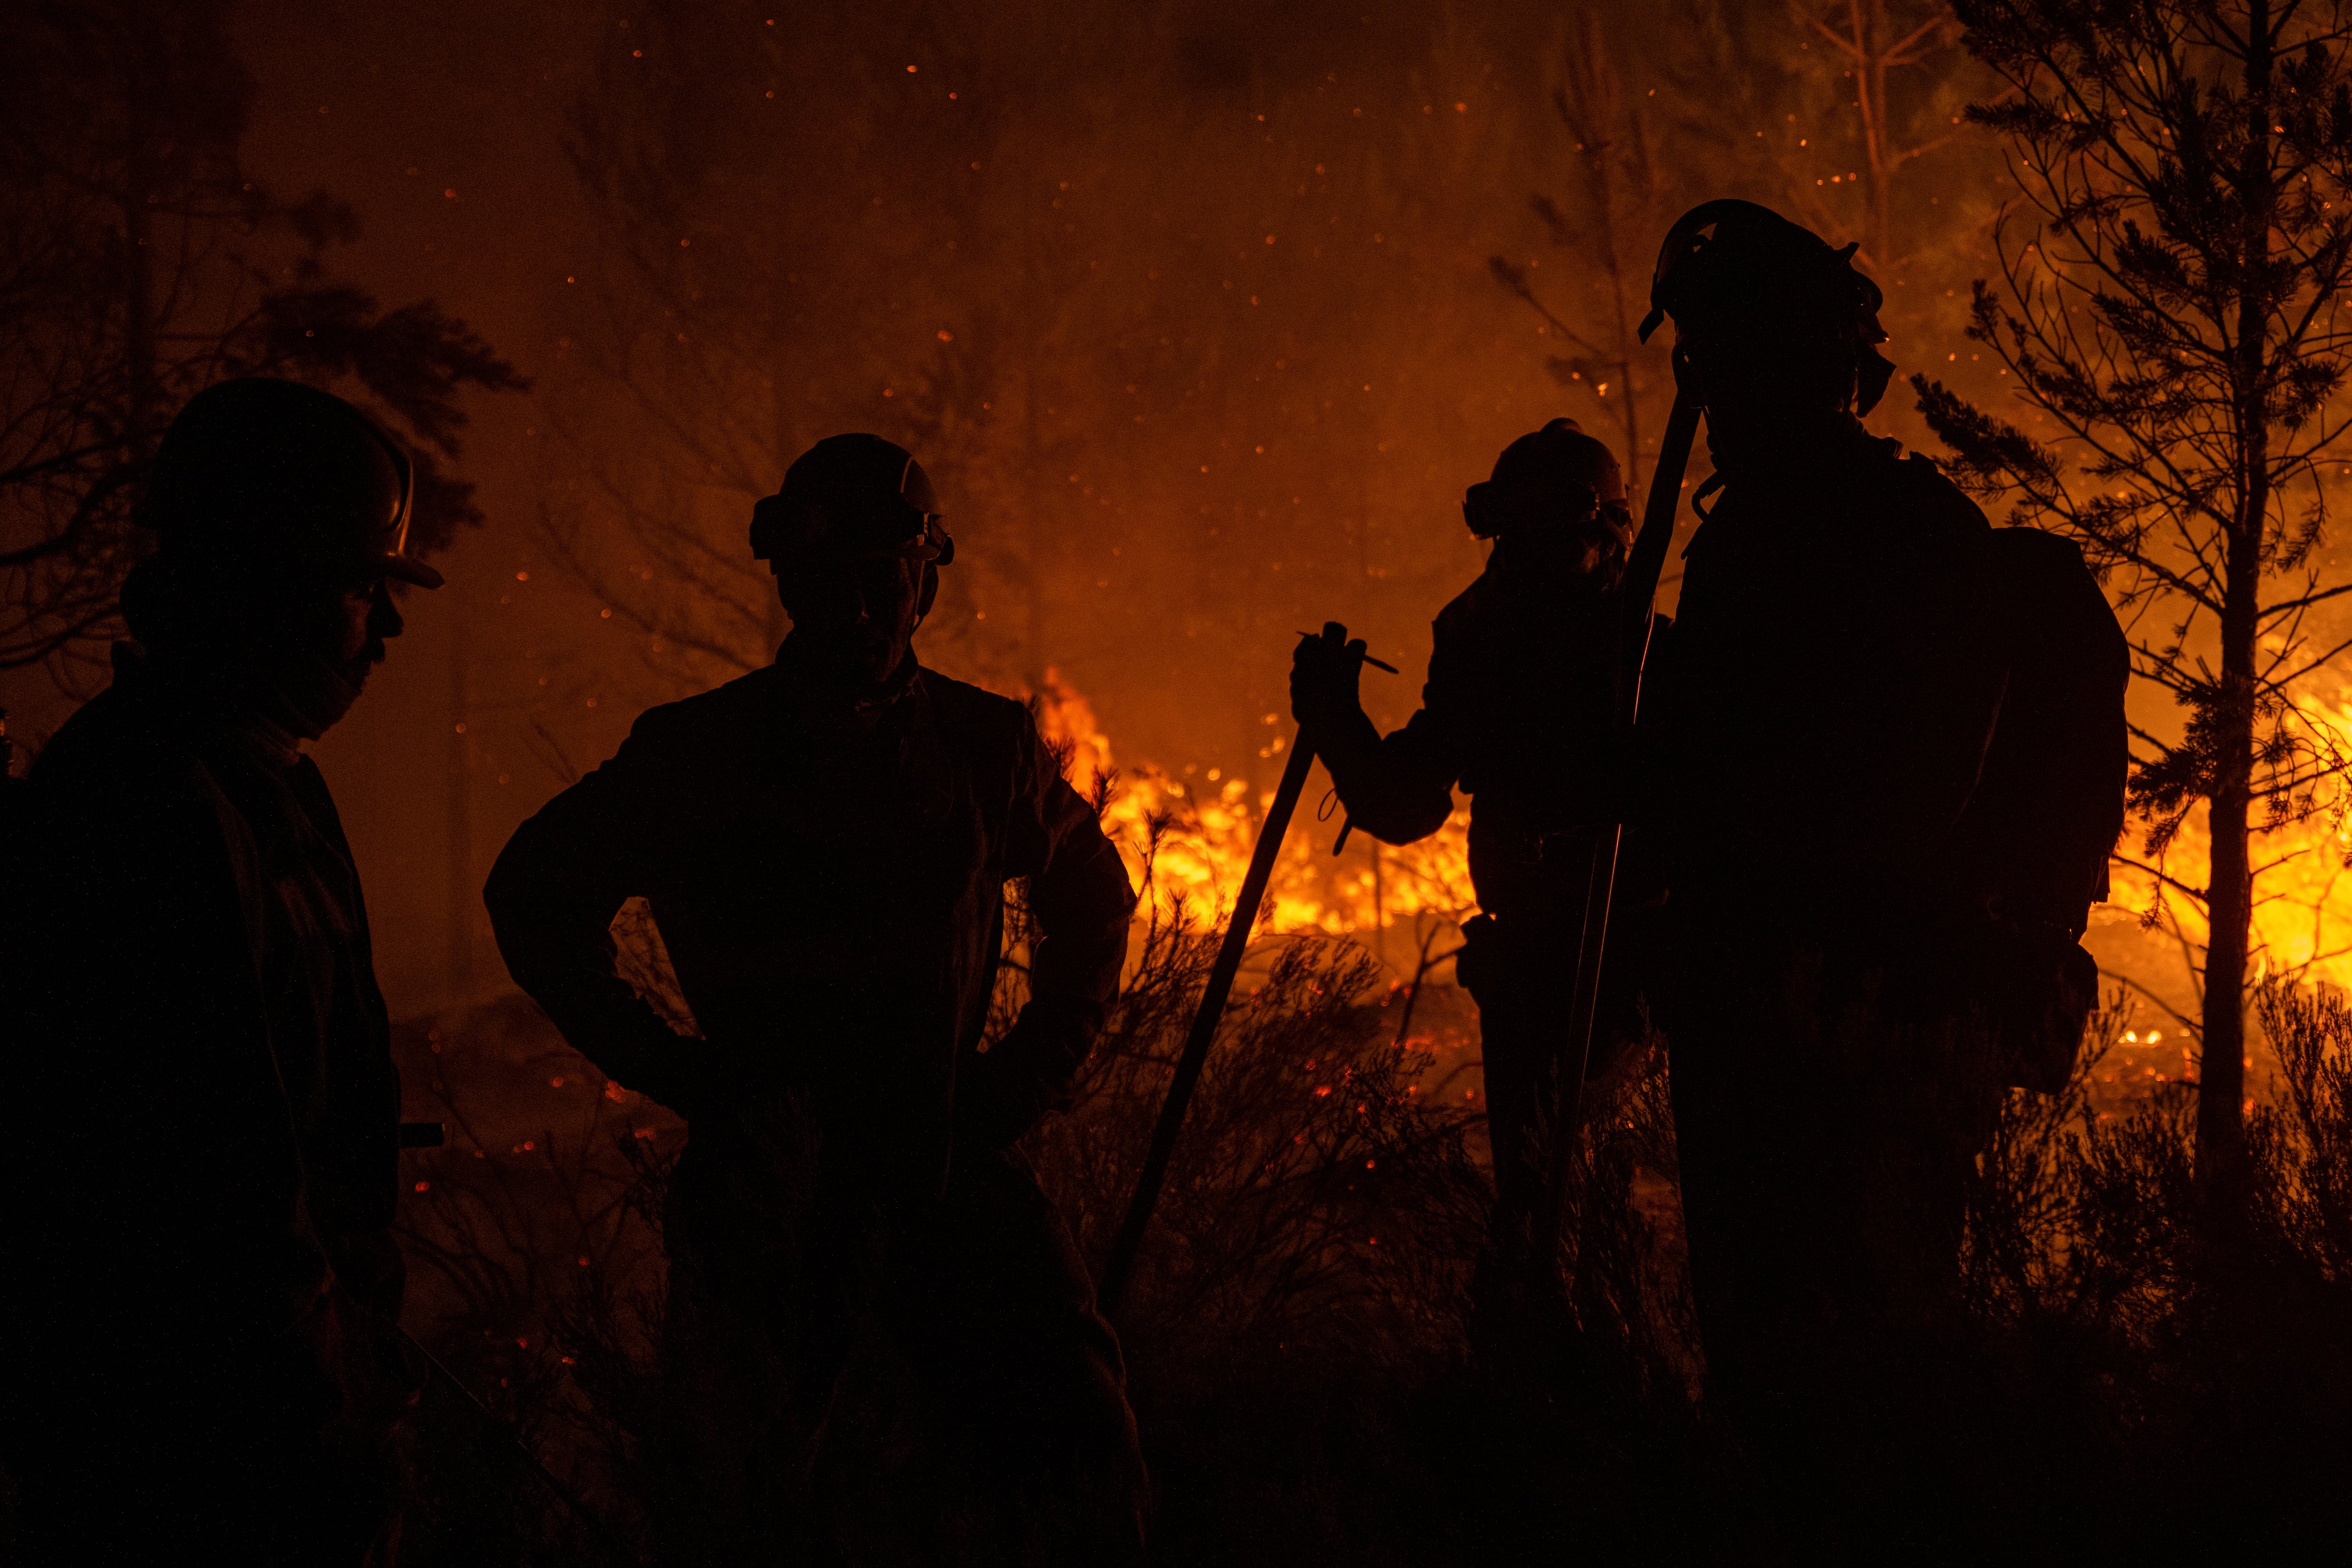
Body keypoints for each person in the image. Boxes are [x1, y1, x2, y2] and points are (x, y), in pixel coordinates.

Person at [483, 434, 1147, 1560]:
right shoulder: (699, 750)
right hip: (769, 1185)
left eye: (873, 573)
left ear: (923, 579)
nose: (848, 601)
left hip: (938, 1157)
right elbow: (537, 892)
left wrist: (1014, 1086)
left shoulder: (985, 747)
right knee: (758, 1497)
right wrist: (686, 1074)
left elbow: (1093, 905)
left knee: (1080, 1472)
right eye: (821, 574)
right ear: (787, 578)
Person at [1634, 201, 2125, 1537]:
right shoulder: (1776, 535)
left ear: (1797, 366)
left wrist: (1694, 811)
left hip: (1850, 1016)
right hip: (1790, 1004)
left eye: (1727, 361)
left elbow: (1879, 801)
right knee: (1793, 1368)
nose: (1711, 394)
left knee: (1857, 1375)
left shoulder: (1877, 539)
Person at [0, 378, 437, 1562]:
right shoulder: (146, 805)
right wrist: (319, 1418)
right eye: (362, 588)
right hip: (197, 1451)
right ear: (268, 580)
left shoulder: (267, 786)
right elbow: (213, 1175)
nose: (385, 629)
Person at [1289, 419, 1663, 1302]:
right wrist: (1336, 721)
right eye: (1512, 541)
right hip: (1531, 958)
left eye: (1548, 539)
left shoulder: (1650, 653)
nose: (1524, 562)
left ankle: (1613, 1364)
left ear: (1602, 539)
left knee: (1604, 1200)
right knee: (1538, 1205)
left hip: (1637, 956)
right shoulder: (1482, 639)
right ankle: (1550, 1376)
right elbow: (1408, 799)